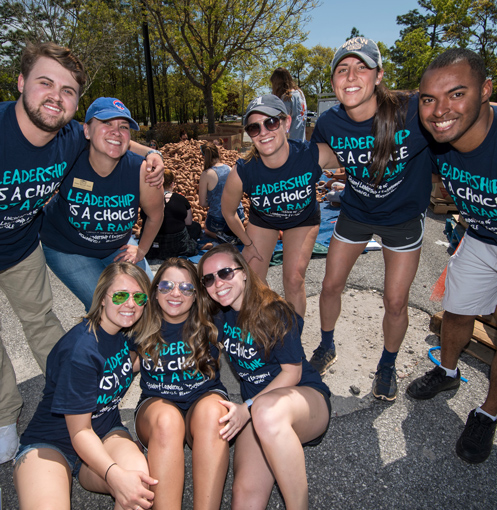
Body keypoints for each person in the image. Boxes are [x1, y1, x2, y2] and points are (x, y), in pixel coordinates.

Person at [0, 42, 164, 464]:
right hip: (62, 246)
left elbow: (119, 141)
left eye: (68, 90)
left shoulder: (69, 134)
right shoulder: (24, 135)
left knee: (43, 320)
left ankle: (81, 394)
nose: (56, 96)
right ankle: (5, 415)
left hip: (21, 247)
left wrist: (155, 154)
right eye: (44, 82)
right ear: (20, 83)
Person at [308, 38, 434, 401]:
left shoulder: (412, 110)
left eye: (361, 67)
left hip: (403, 218)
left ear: (379, 76)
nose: (351, 76)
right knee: (331, 284)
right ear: (333, 81)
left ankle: (388, 363)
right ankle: (327, 345)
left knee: (396, 301)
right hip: (356, 212)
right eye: (342, 69)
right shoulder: (330, 122)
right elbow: (317, 158)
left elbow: (469, 114)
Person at [407, 48, 497, 464]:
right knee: (456, 309)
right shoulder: (437, 140)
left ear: (485, 91)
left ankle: (486, 414)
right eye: (429, 99)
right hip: (482, 238)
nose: (439, 110)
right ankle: (447, 373)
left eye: (456, 94)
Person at [13, 262, 158, 509]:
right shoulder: (79, 351)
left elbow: (128, 361)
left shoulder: (122, 333)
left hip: (105, 435)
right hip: (52, 444)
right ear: (102, 298)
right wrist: (114, 475)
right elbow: (79, 431)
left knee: (138, 486)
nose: (130, 304)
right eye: (121, 295)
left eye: (139, 297)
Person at [197, 244, 331, 510]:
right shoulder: (218, 316)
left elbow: (292, 373)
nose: (218, 283)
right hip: (258, 411)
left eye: (225, 273)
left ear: (244, 272)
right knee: (245, 495)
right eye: (208, 279)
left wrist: (247, 407)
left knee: (267, 412)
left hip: (303, 400)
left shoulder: (274, 310)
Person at [40, 97, 165, 311]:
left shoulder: (142, 171)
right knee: (107, 308)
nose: (116, 131)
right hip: (68, 248)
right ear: (86, 131)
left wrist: (141, 250)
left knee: (149, 303)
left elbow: (155, 215)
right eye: (106, 123)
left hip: (117, 247)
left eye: (123, 127)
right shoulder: (69, 159)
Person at [221, 94, 340, 317]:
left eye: (271, 122)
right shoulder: (243, 171)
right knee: (252, 282)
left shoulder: (312, 155)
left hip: (302, 220)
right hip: (264, 221)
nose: (263, 132)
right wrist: (247, 242)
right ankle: (264, 329)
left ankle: (294, 339)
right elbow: (228, 212)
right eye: (254, 128)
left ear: (286, 123)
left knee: (293, 279)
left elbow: (357, 157)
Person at [130, 258, 229, 509]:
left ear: (196, 295)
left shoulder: (213, 319)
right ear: (154, 292)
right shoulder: (139, 322)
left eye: (185, 288)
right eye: (166, 286)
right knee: (167, 421)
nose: (176, 293)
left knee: (214, 414)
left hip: (202, 398)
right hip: (156, 405)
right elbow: (116, 365)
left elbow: (254, 318)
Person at [142, 169, 201, 259]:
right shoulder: (181, 199)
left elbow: (144, 220)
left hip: (153, 246)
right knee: (195, 226)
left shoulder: (147, 200)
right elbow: (188, 222)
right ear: (172, 184)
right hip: (177, 246)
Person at [198, 141, 245, 243]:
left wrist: (212, 202)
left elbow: (202, 203)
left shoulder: (206, 174)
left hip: (219, 222)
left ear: (204, 157)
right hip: (239, 216)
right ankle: (238, 233)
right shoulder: (229, 168)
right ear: (218, 153)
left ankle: (222, 236)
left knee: (206, 228)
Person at [270, 67, 307, 141]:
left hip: (290, 144)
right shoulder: (300, 93)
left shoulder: (287, 98)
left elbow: (281, 123)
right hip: (301, 141)